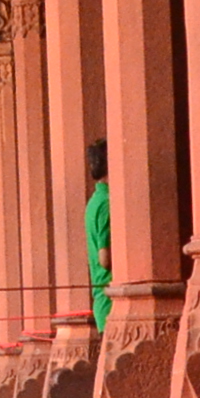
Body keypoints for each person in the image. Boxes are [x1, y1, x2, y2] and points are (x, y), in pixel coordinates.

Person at [81, 140, 113, 333]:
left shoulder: (95, 201)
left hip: (103, 300)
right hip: (111, 303)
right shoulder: (106, 203)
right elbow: (105, 259)